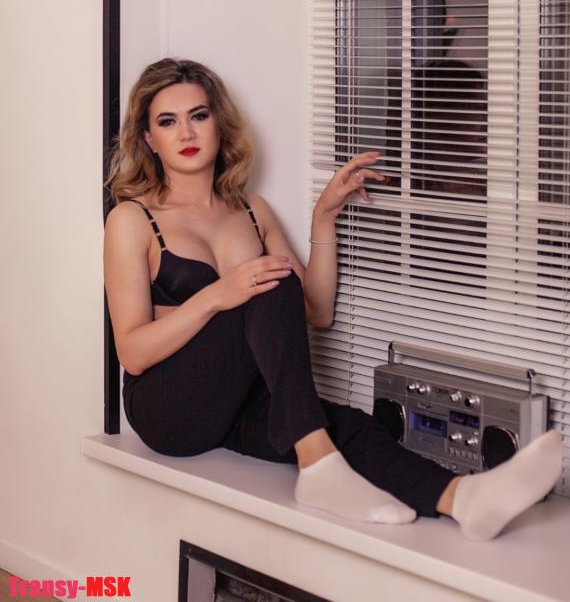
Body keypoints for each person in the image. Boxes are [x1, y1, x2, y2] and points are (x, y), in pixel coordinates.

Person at [103, 57, 562, 541]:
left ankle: (462, 499)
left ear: (218, 122)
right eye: (167, 121)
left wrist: (323, 217)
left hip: (238, 403)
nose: (186, 132)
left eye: (198, 115)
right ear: (149, 139)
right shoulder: (132, 220)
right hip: (168, 409)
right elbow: (132, 353)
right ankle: (318, 466)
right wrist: (216, 296)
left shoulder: (252, 210)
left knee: (342, 424)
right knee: (273, 280)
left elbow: (315, 312)